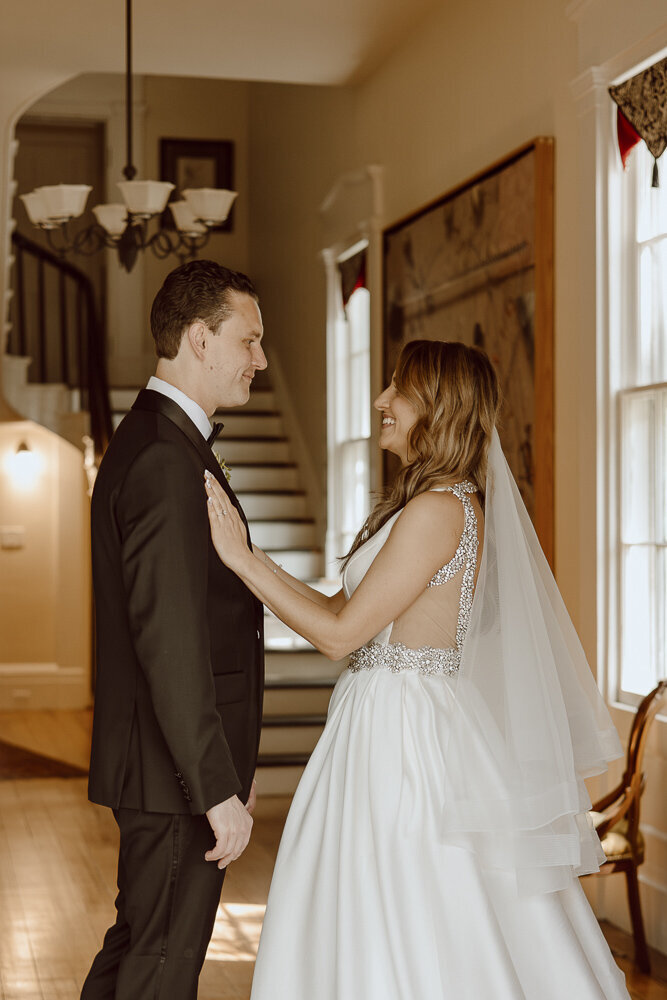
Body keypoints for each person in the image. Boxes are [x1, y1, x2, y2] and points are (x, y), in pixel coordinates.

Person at [205, 339, 632, 1000]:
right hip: (382, 719)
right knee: (369, 892)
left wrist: (243, 560)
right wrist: (252, 557)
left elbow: (337, 635)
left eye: (396, 389)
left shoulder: (438, 511)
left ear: (437, 406)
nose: (380, 400)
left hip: (404, 733)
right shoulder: (427, 503)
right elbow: (340, 608)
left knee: (411, 890)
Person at [81, 259, 267, 1000]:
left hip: (164, 767)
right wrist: (214, 786)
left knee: (140, 950)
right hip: (173, 774)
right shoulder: (163, 456)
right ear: (199, 338)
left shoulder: (162, 440)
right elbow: (170, 640)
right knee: (162, 967)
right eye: (248, 341)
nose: (259, 359)